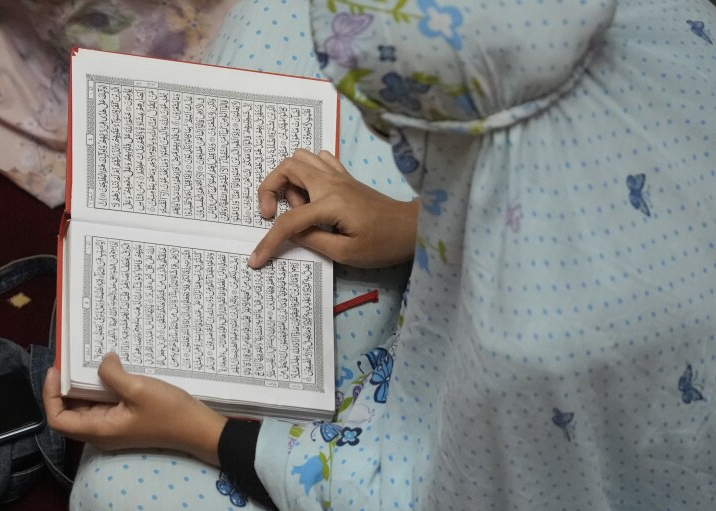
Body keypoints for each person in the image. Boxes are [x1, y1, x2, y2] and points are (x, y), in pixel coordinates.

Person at [44, 0, 716, 509]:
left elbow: (410, 494)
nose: (376, 127)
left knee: (119, 489)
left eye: (393, 126)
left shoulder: (528, 343)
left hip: (472, 442)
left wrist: (205, 431)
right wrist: (409, 223)